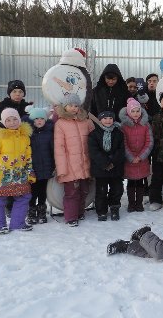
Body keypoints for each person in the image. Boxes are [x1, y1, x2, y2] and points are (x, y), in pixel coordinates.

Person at [0, 108, 35, 233]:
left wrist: (30, 172)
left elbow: (28, 157)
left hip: (19, 174)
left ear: (19, 120)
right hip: (1, 175)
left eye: (15, 119)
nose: (12, 122)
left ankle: (18, 223)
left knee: (24, 197)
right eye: (8, 120)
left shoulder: (24, 137)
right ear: (3, 122)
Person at [54, 94, 95, 227]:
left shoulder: (86, 121)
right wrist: (62, 169)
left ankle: (79, 212)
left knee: (84, 190)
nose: (73, 108)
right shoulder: (60, 123)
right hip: (70, 165)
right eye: (70, 105)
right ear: (65, 107)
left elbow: (94, 140)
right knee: (71, 192)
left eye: (76, 105)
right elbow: (59, 148)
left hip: (85, 163)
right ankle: (71, 217)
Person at [88, 111, 126, 221]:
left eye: (110, 118)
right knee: (101, 190)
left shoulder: (119, 133)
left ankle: (114, 208)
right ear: (100, 120)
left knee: (117, 189)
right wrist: (105, 163)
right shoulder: (94, 134)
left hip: (115, 167)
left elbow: (121, 150)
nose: (108, 120)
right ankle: (101, 211)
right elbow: (94, 151)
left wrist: (112, 162)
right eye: (105, 118)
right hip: (101, 168)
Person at [119, 98, 153, 212]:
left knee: (140, 182)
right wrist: (131, 157)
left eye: (137, 111)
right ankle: (131, 204)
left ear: (141, 111)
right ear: (128, 112)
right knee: (131, 182)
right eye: (133, 111)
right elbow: (122, 143)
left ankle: (139, 204)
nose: (135, 114)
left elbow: (149, 142)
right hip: (129, 160)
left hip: (141, 159)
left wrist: (141, 156)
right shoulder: (124, 126)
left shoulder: (146, 125)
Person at [25, 108, 55, 225]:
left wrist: (54, 165)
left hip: (46, 167)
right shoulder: (28, 133)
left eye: (42, 118)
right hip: (32, 168)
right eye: (36, 118)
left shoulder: (49, 132)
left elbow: (52, 150)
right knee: (32, 192)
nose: (39, 121)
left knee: (43, 191)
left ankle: (41, 210)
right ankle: (31, 211)